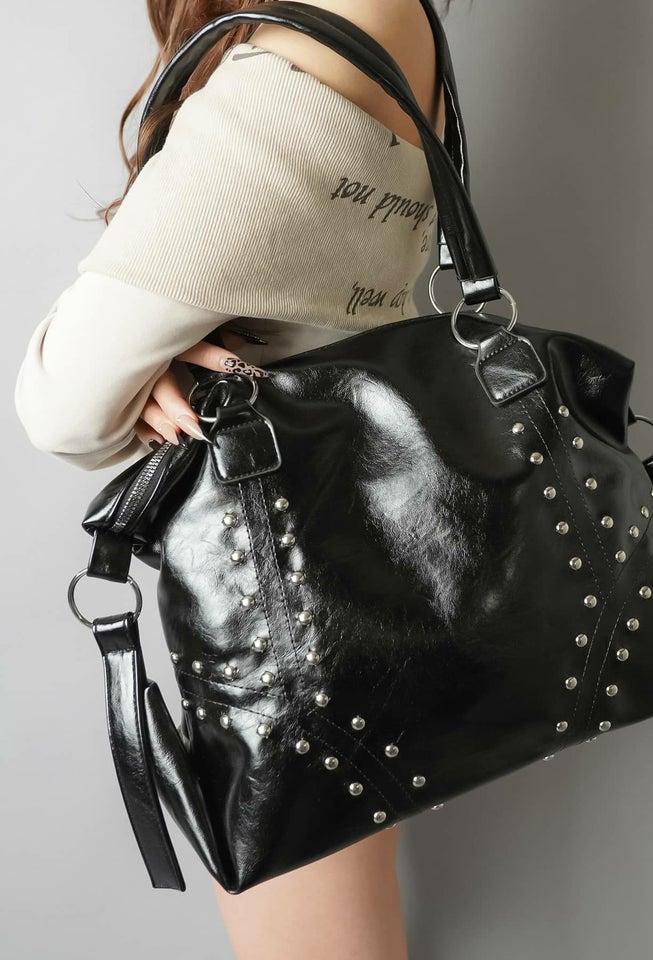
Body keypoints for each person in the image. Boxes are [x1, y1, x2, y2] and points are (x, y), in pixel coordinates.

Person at [14, 0, 451, 957]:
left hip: (280, 604)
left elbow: (61, 401)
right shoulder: (396, 17)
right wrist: (164, 353)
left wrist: (140, 361)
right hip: (378, 553)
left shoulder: (300, 49)